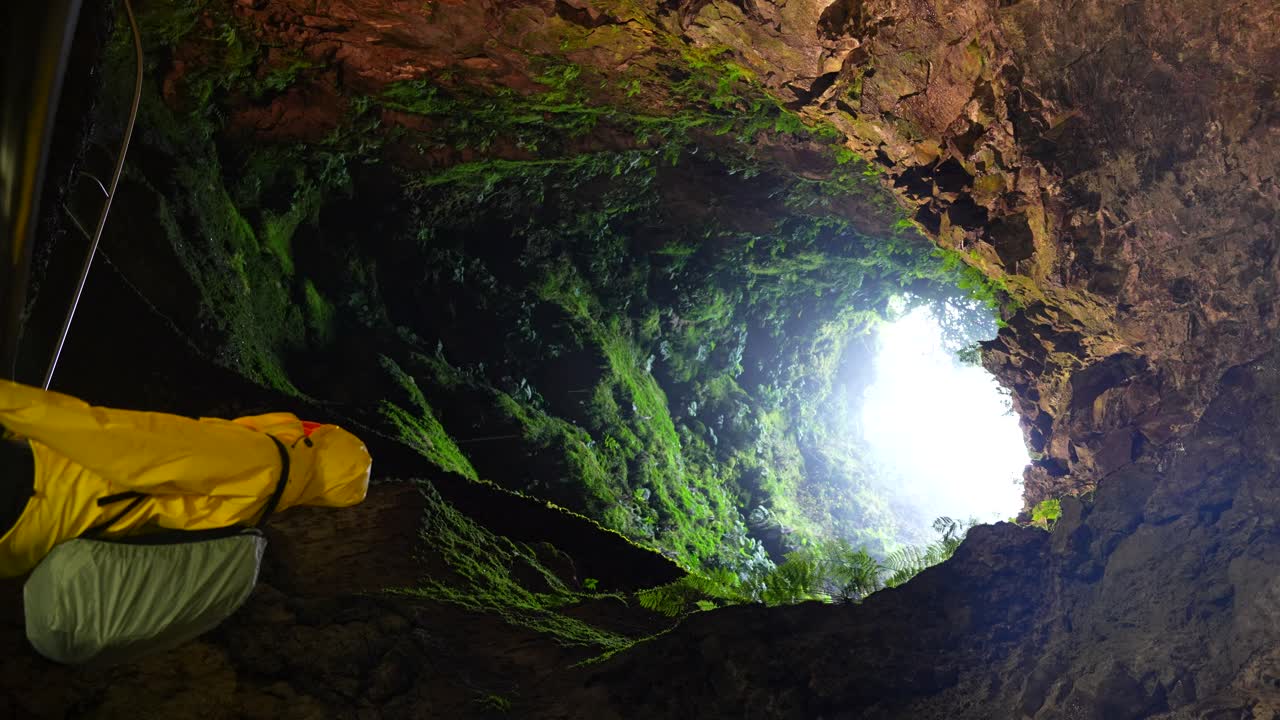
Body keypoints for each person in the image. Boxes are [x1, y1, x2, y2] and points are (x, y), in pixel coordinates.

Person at [0, 379, 371, 577]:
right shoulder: (260, 509)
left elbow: (126, 446)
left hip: (44, 486)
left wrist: (11, 405)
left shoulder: (260, 461)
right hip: (42, 530)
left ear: (313, 441)